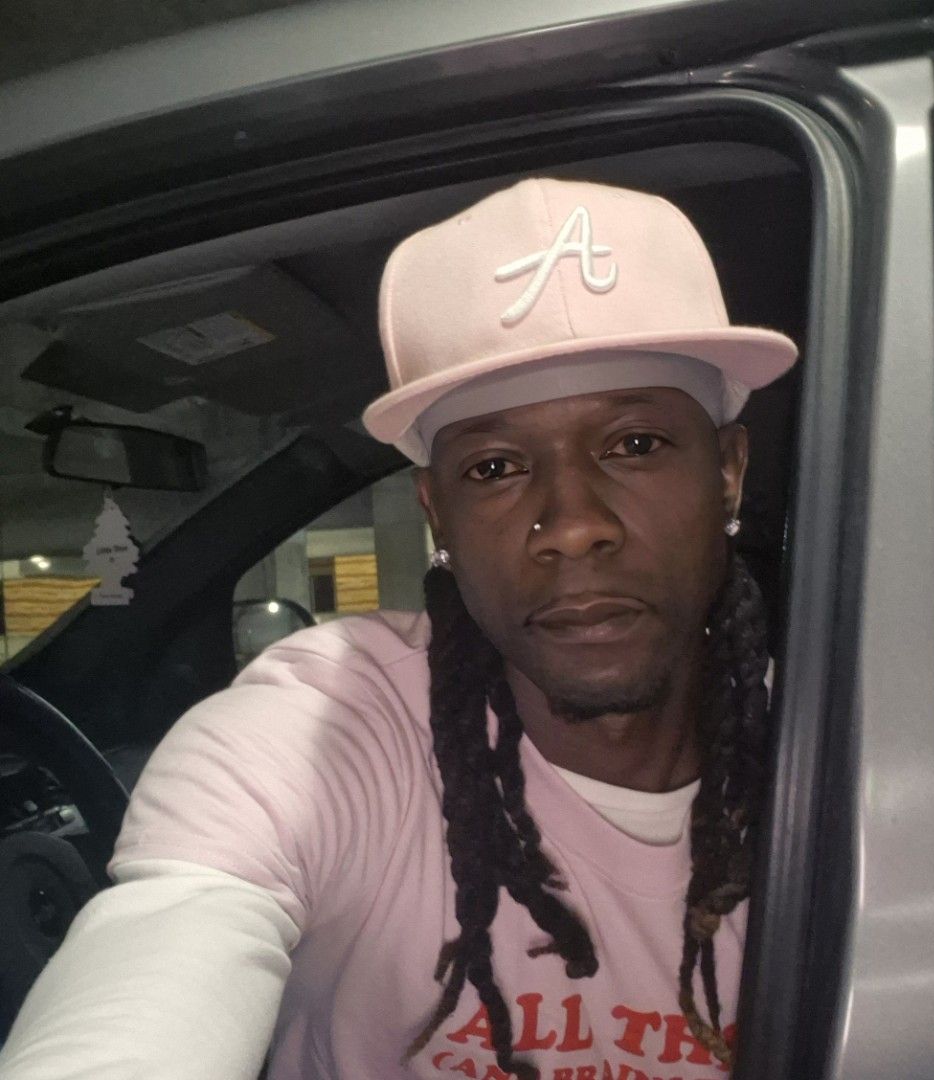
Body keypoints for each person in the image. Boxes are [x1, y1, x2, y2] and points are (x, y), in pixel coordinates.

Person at [0, 177, 797, 1080]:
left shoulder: (840, 756)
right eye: (495, 467)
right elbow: (166, 950)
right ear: (436, 513)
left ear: (728, 472)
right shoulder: (333, 720)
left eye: (636, 444)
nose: (574, 526)